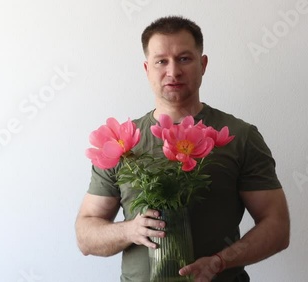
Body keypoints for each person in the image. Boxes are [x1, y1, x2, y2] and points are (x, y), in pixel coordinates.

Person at [76, 16, 290, 282]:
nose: (173, 71)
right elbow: (86, 234)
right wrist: (129, 231)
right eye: (161, 61)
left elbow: (277, 226)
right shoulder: (120, 141)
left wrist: (220, 262)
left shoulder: (240, 136)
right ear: (147, 69)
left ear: (203, 64)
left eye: (185, 59)